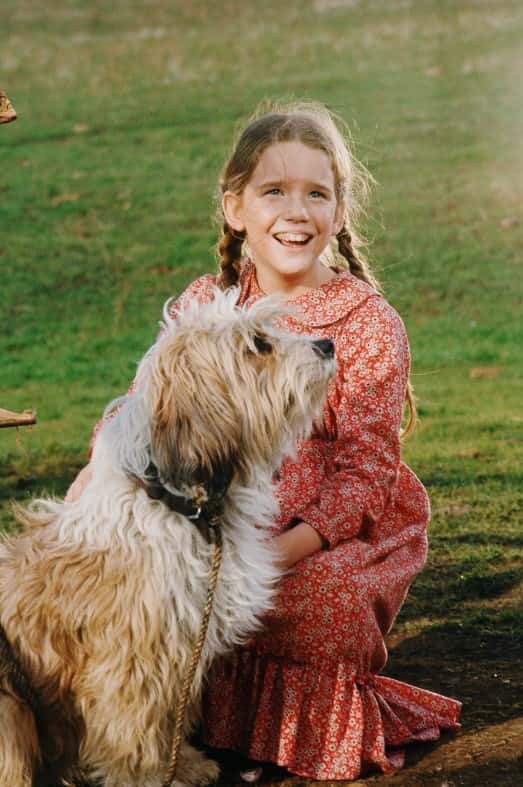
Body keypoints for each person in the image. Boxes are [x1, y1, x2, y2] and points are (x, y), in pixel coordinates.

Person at [67, 101, 461, 782]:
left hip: (321, 530)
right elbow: (143, 415)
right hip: (210, 517)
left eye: (316, 193)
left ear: (339, 213)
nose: (295, 210)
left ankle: (278, 726)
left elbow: (367, 472)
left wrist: (271, 555)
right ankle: (111, 712)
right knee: (120, 574)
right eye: (273, 191)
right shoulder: (204, 304)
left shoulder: (366, 322)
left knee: (312, 605)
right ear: (235, 207)